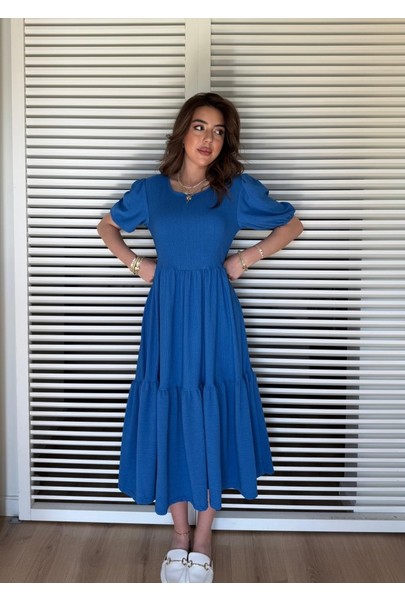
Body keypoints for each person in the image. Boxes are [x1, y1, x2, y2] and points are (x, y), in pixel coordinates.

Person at [97, 92, 303, 583]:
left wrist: (245, 258)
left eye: (218, 131)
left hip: (215, 314)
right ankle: (179, 533)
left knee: (213, 407)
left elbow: (291, 224)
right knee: (169, 405)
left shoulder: (235, 190)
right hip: (167, 314)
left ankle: (204, 536)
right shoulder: (151, 190)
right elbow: (107, 226)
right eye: (200, 127)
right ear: (182, 132)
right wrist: (137, 264)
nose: (209, 138)